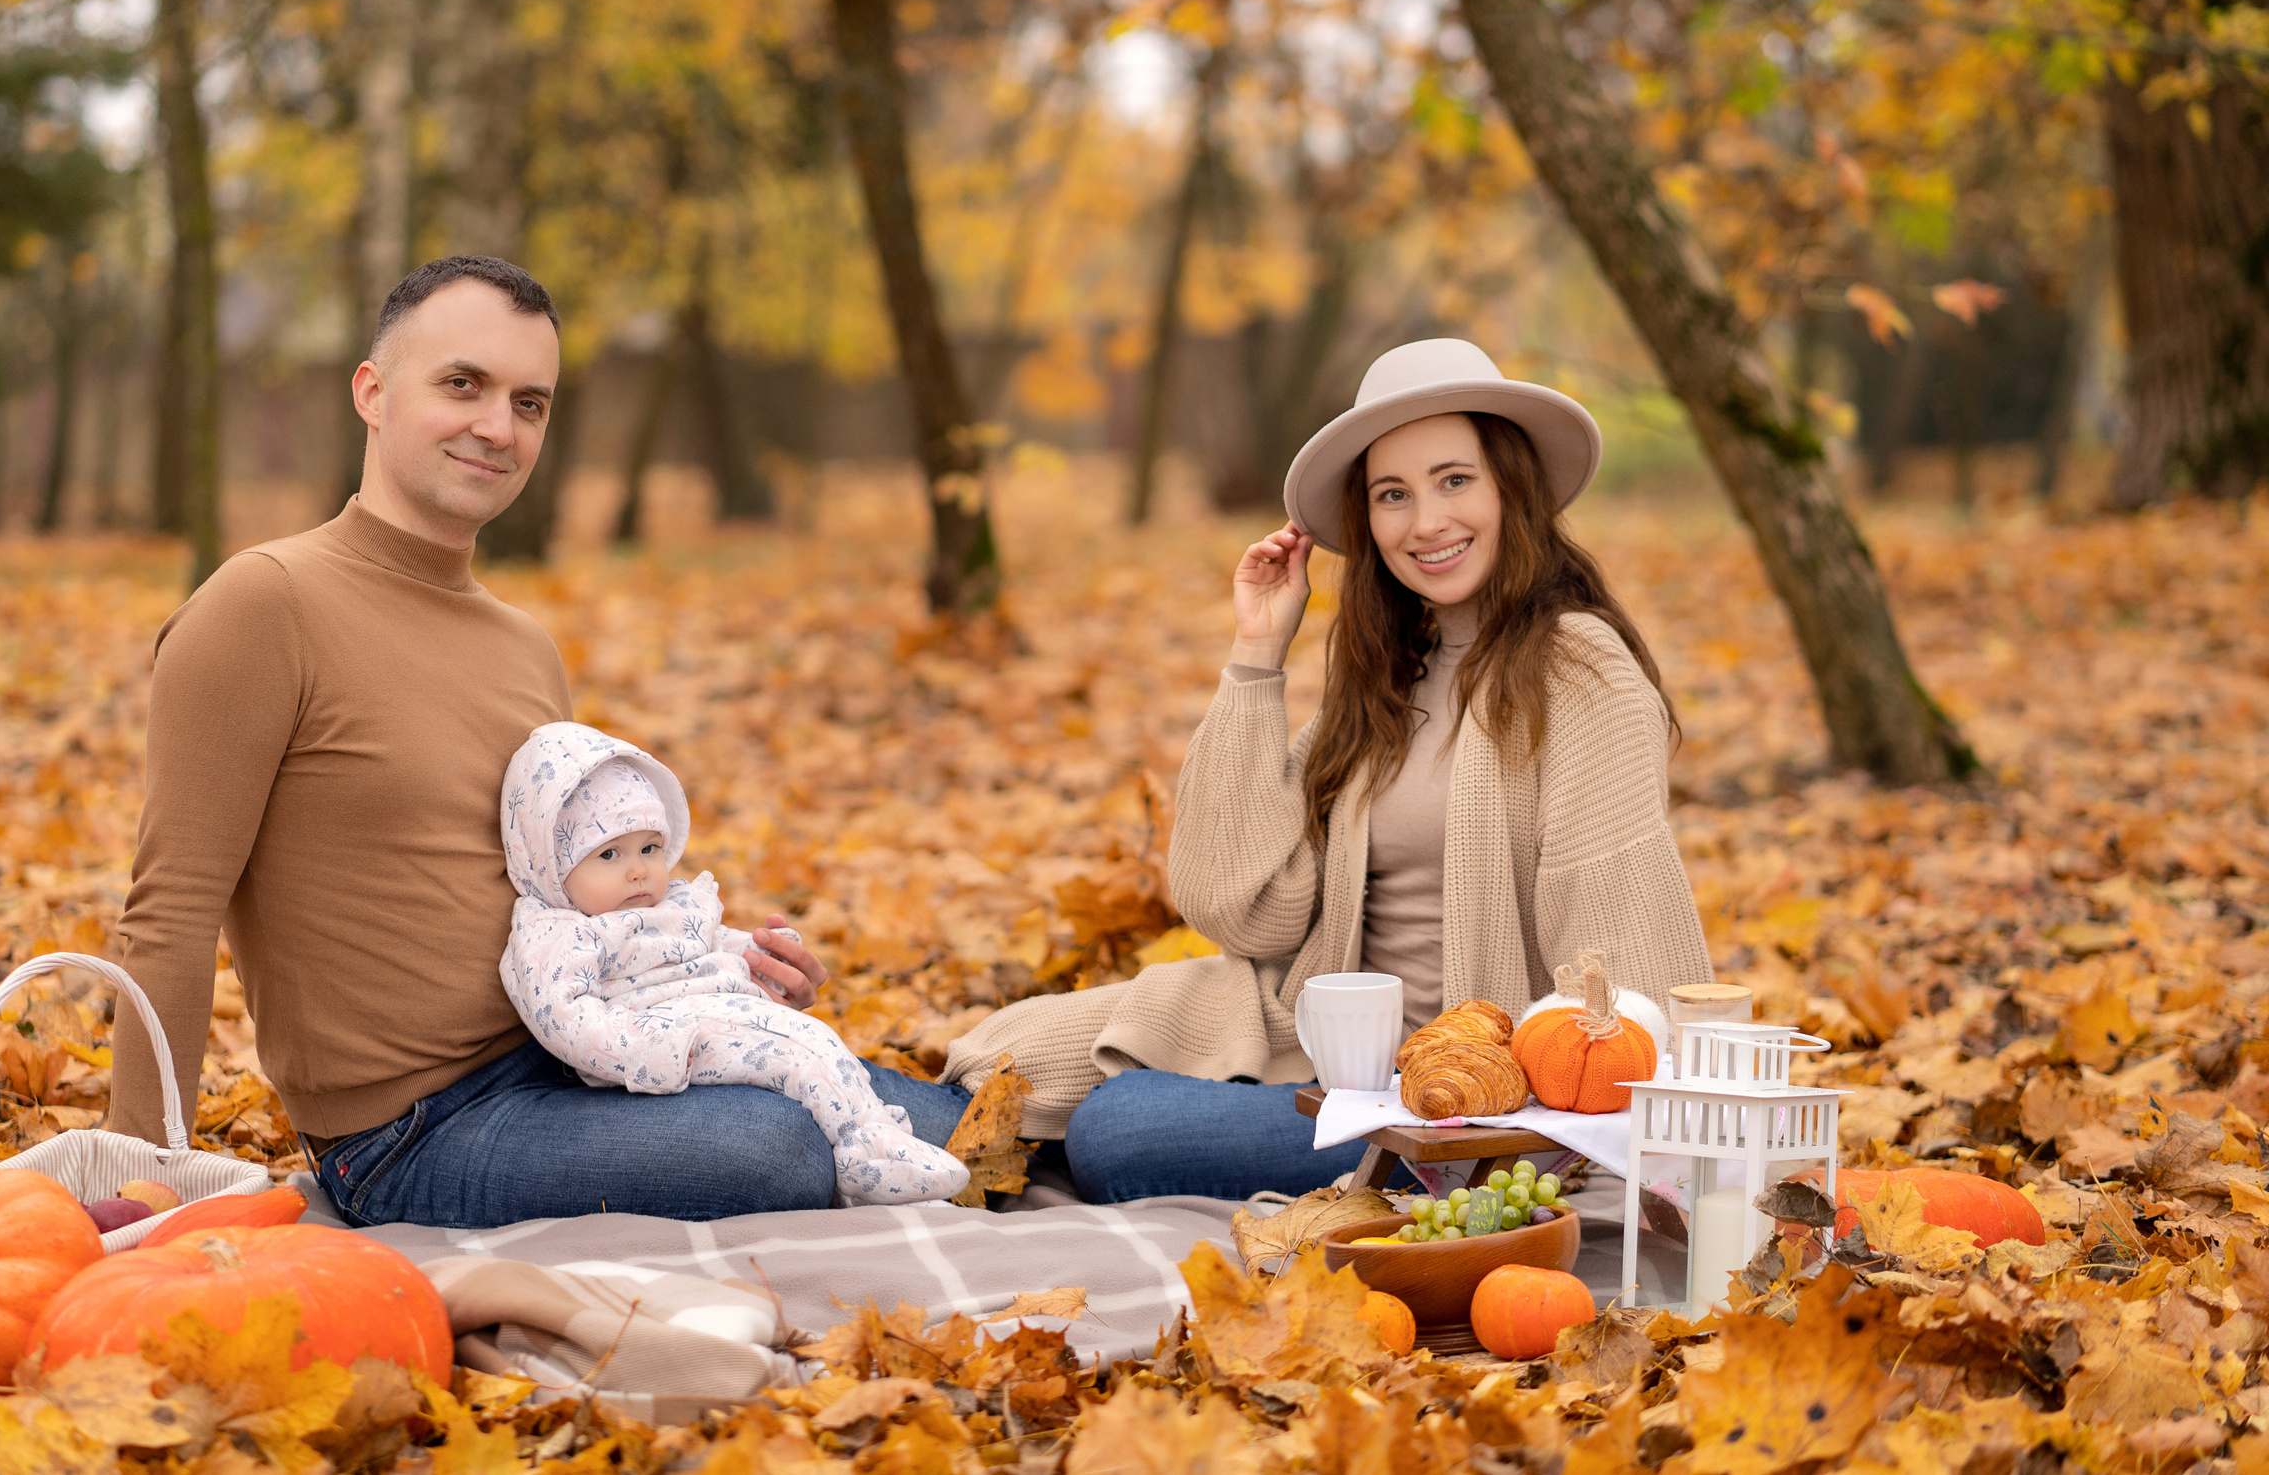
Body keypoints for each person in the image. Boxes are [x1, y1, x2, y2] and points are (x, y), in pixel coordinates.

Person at [103, 255, 969, 1225]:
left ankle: (1123, 1085)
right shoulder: (264, 605)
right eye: (462, 385)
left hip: (582, 1051)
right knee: (775, 1145)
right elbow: (169, 914)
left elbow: (563, 904)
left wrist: (716, 963)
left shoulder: (523, 647)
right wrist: (146, 1188)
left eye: (530, 403)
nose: (497, 427)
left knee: (934, 1115)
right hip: (415, 1136)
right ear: (373, 393)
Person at [944, 338, 1713, 1202]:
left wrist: (1533, 1113)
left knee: (1121, 1128)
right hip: (1325, 1052)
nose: (1425, 521)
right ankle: (824, 1111)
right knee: (1001, 1063)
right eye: (1394, 494)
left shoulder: (1578, 669)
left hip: (1463, 1110)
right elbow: (1244, 909)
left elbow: (1617, 961)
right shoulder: (1396, 679)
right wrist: (1255, 657)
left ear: (1511, 486)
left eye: (1455, 480)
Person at [499, 722, 969, 1204]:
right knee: (791, 1063)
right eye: (609, 854)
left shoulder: (671, 904)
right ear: (552, 866)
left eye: (648, 848)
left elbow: (712, 942)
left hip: (719, 1009)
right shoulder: (558, 931)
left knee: (818, 1040)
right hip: (665, 1037)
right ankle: (863, 1158)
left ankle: (876, 1142)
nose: (637, 869)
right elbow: (562, 1014)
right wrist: (650, 1050)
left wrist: (761, 954)